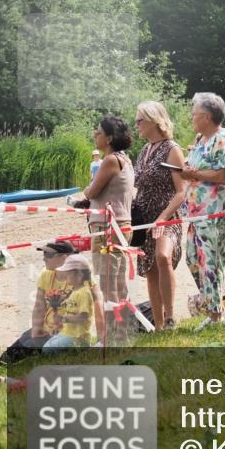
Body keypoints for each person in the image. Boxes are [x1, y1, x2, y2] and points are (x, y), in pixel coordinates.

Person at [180, 93, 225, 331]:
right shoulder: (200, 139)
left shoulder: (222, 139)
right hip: (196, 212)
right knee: (193, 259)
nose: (192, 118)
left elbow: (223, 174)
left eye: (194, 114)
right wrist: (185, 168)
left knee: (210, 262)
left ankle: (215, 315)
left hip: (215, 211)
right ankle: (216, 307)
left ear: (206, 117)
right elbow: (195, 166)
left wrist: (193, 174)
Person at [0, 241, 104, 364]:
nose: (44, 258)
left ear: (64, 258)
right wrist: (36, 332)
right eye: (44, 254)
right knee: (5, 359)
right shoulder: (45, 274)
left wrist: (102, 339)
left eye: (48, 255)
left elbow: (98, 304)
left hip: (69, 330)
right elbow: (39, 307)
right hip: (47, 328)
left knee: (43, 354)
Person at [80, 115, 134, 344]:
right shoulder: (125, 159)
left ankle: (114, 337)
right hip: (118, 225)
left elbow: (91, 191)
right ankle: (119, 334)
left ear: (110, 137)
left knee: (109, 285)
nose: (95, 135)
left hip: (108, 228)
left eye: (99, 132)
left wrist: (86, 193)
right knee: (117, 284)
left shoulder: (110, 160)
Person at [133, 101, 185, 331]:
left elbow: (182, 192)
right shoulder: (144, 151)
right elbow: (135, 186)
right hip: (145, 216)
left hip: (167, 213)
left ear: (154, 120)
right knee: (150, 269)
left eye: (139, 120)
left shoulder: (173, 149)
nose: (136, 125)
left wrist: (163, 218)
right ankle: (159, 324)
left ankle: (171, 316)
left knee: (163, 257)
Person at [42, 255, 97, 350]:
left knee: (47, 349)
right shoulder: (74, 291)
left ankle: (83, 347)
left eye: (68, 274)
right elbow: (69, 311)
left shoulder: (84, 293)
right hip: (69, 331)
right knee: (48, 344)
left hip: (78, 336)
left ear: (79, 276)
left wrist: (64, 319)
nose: (65, 276)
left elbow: (83, 317)